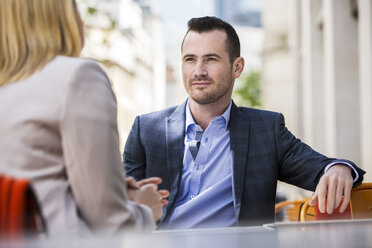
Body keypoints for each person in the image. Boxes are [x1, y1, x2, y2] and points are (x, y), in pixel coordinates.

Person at [123, 16, 365, 229]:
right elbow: (119, 207)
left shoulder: (265, 130)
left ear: (237, 67)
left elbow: (319, 167)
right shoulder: (147, 130)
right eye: (190, 59)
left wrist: (338, 169)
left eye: (211, 59)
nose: (199, 71)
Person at [0, 0, 168, 236]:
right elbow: (110, 224)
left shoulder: (8, 86)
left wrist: (115, 191)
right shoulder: (77, 77)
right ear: (64, 14)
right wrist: (146, 208)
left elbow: (35, 181)